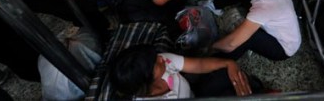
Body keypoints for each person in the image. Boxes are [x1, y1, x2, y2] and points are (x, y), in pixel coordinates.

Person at [108, 44, 252, 98]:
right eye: (156, 63)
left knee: (228, 76)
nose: (160, 58)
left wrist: (228, 63)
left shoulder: (162, 60)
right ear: (147, 81)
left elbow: (199, 65)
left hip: (196, 94)